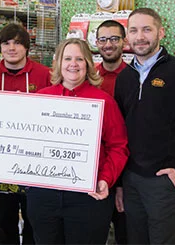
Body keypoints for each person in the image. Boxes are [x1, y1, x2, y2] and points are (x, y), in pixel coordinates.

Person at [114, 7, 175, 244]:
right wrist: (119, 183)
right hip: (130, 178)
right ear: (127, 36)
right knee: (134, 239)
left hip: (162, 181)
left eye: (147, 29)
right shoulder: (124, 78)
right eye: (134, 30)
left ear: (161, 32)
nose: (140, 37)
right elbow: (118, 133)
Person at [26, 38, 129, 244]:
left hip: (88, 197)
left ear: (88, 64)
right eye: (68, 58)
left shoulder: (103, 101)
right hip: (44, 195)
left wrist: (105, 179)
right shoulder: (40, 98)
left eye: (79, 59)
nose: (73, 64)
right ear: (58, 64)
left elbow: (119, 147)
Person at [0, 22, 51, 245]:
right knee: (1, 224)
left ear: (27, 47)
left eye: (18, 43)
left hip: (35, 164)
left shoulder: (45, 74)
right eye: (7, 43)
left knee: (35, 222)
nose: (12, 48)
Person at [95, 20, 128, 244]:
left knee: (125, 233)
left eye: (114, 39)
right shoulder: (88, 77)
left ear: (124, 42)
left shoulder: (135, 78)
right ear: (96, 43)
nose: (108, 44)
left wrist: (123, 184)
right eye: (103, 39)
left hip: (125, 169)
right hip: (97, 172)